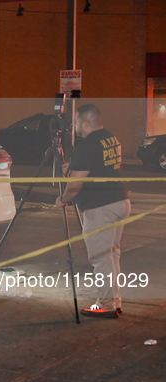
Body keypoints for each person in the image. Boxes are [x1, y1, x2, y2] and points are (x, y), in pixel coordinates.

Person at [55, 104, 130, 319]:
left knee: (101, 257)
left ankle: (106, 305)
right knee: (111, 256)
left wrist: (63, 199)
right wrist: (74, 166)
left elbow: (76, 184)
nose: (74, 125)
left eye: (76, 121)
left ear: (85, 123)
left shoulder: (87, 144)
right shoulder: (109, 137)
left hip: (101, 206)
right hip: (119, 200)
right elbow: (100, 164)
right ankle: (114, 301)